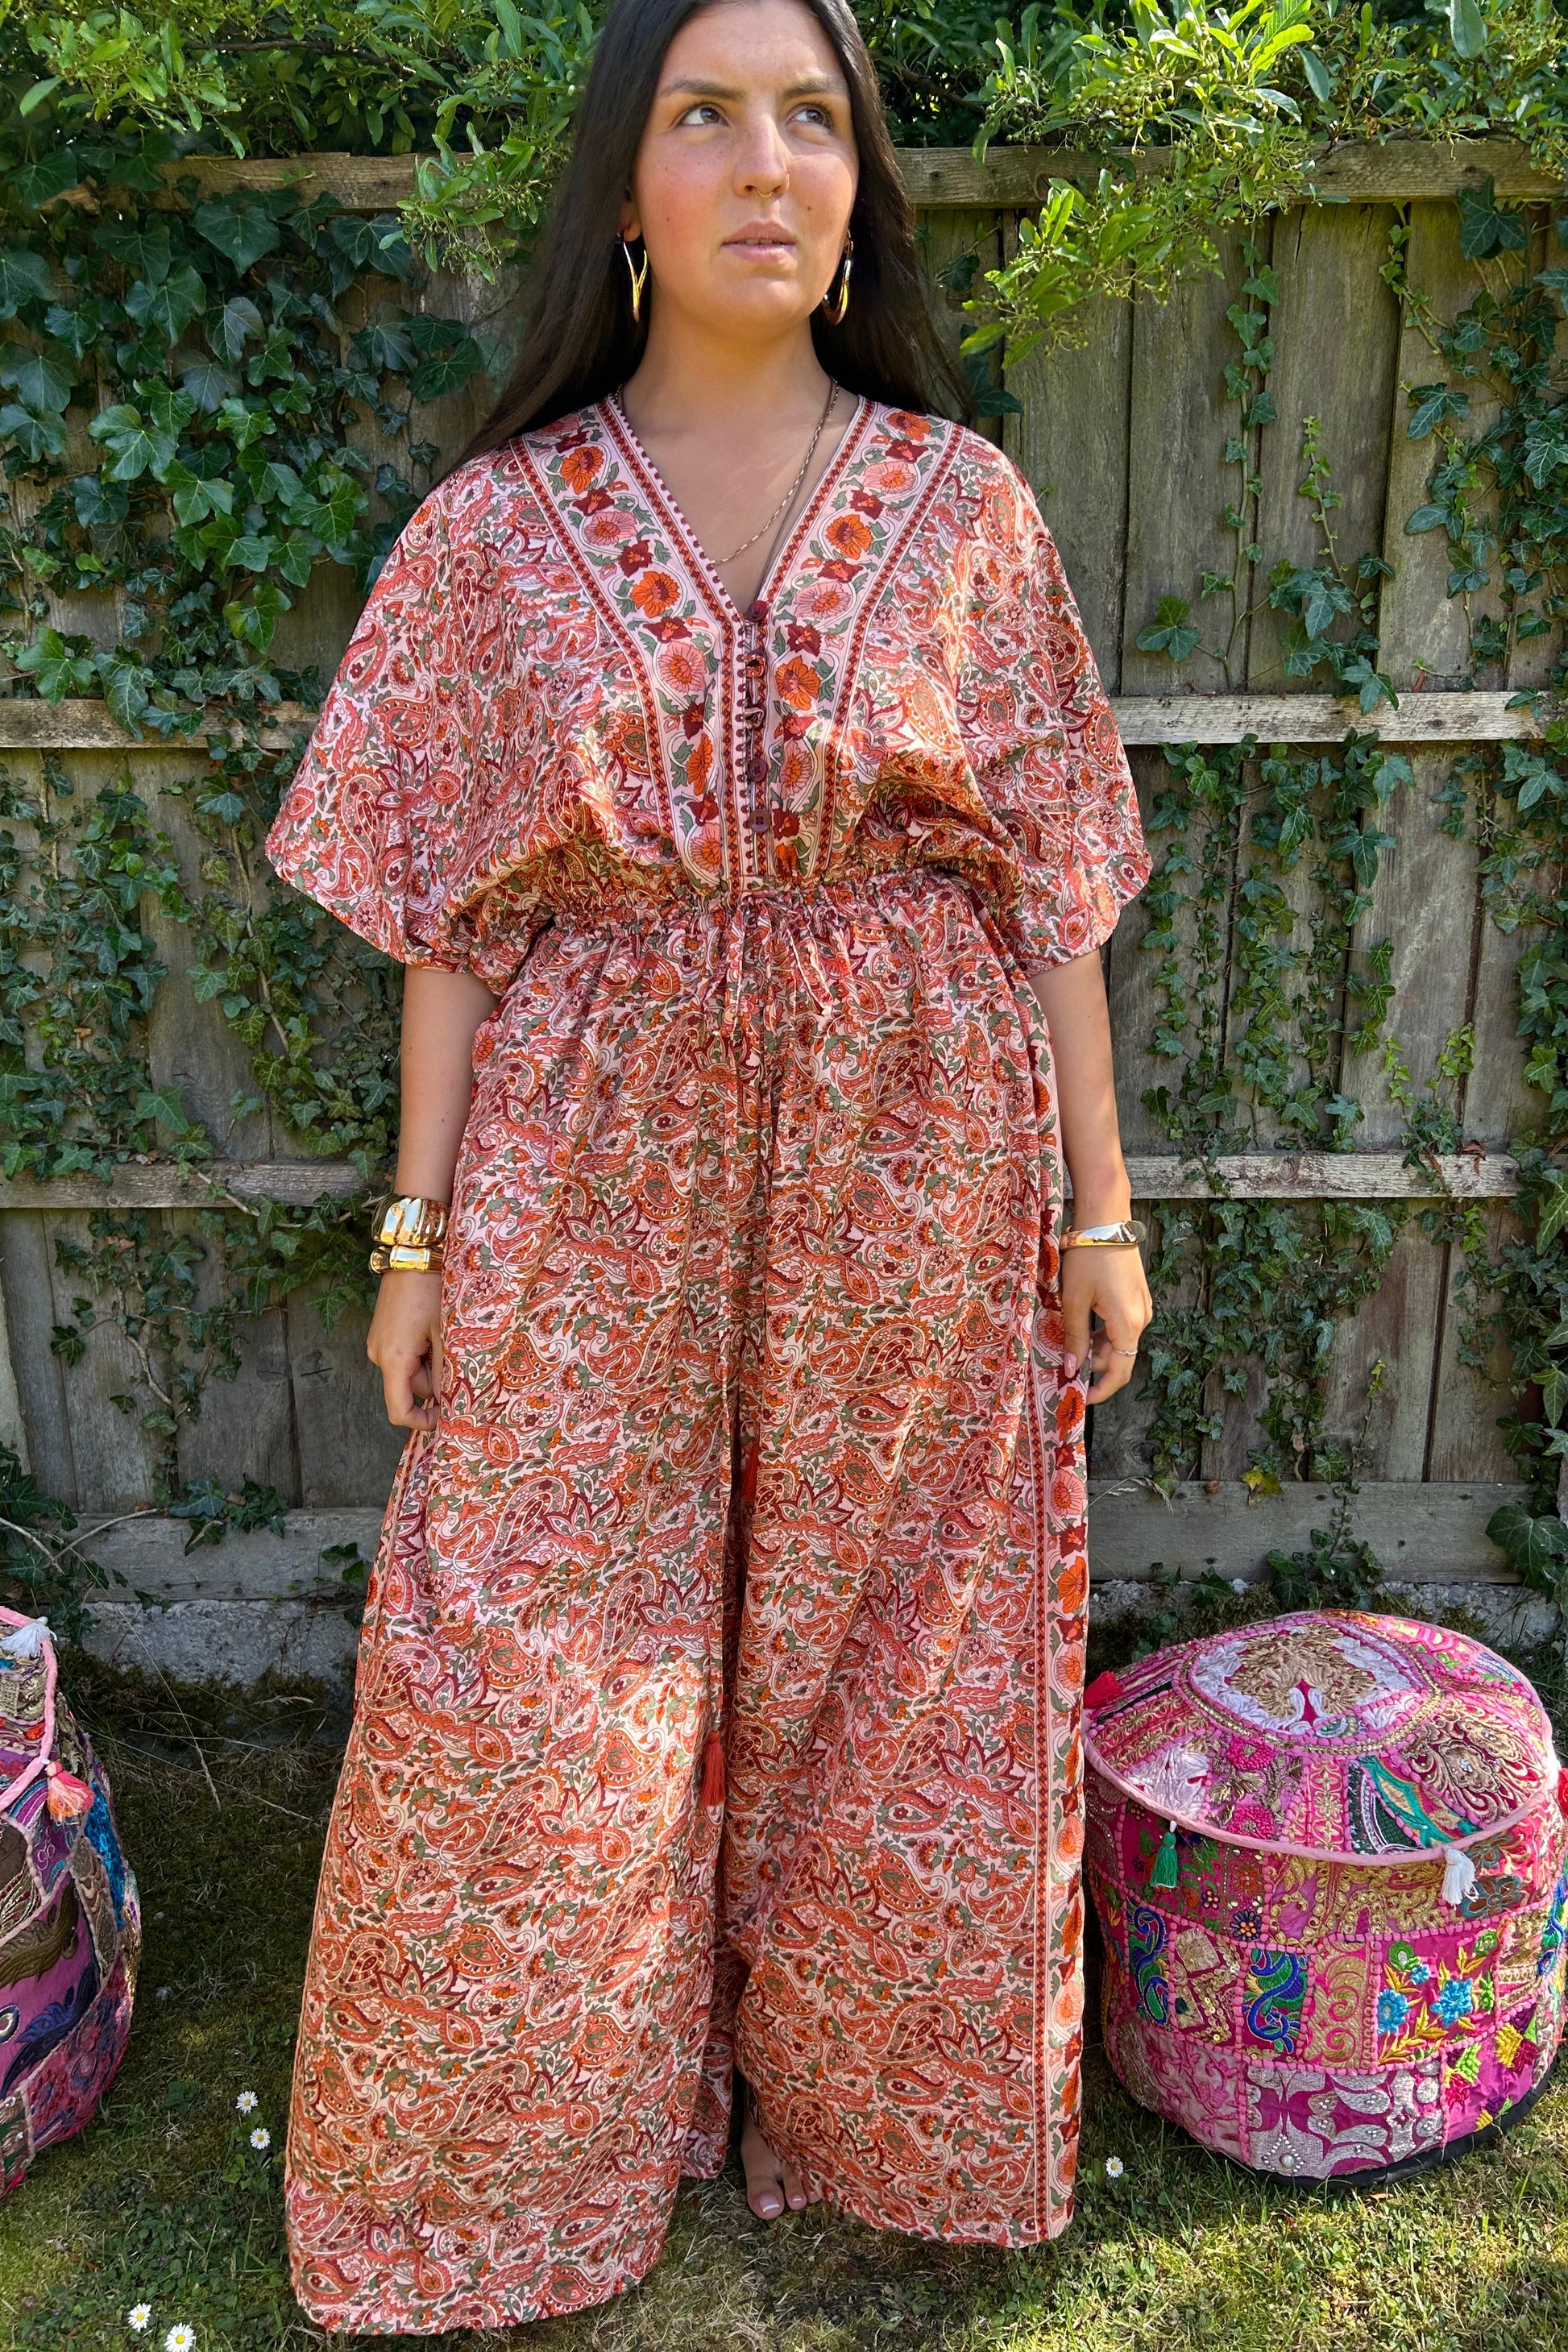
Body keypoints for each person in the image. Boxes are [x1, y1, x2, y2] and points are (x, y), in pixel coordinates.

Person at [264, 0, 1153, 2329]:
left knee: (909, 1652)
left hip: (915, 1148)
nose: (769, 161)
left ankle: (876, 2127)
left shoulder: (964, 509)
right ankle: (508, 2171)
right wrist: (415, 1234)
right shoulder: (497, 530)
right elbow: (449, 913)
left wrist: (1099, 1206)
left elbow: (1052, 882)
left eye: (814, 118)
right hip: (590, 1155)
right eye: (705, 113)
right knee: (532, 1656)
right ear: (624, 191)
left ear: (859, 194)